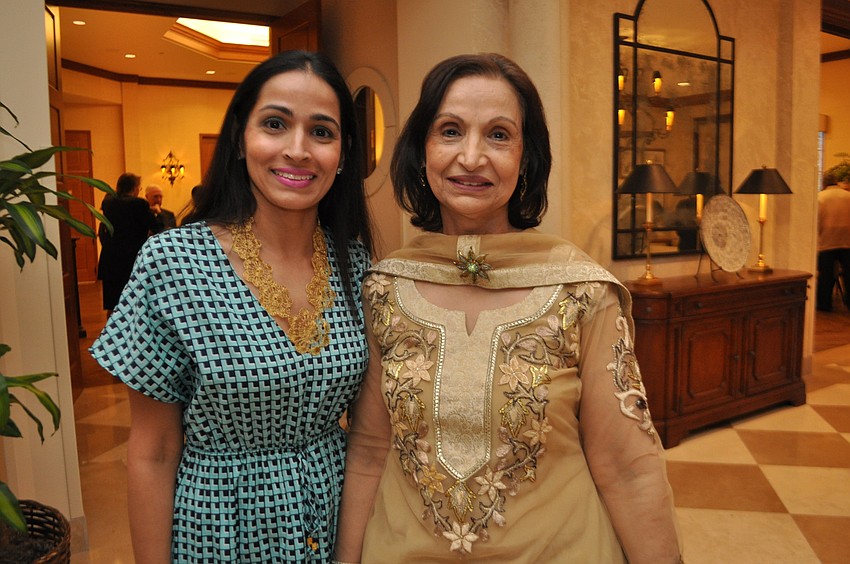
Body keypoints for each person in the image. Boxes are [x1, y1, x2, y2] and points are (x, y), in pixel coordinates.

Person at [334, 53, 682, 563]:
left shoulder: (581, 291)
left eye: (498, 135)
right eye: (449, 131)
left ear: (526, 159)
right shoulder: (385, 288)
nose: (471, 157)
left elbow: (627, 467)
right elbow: (368, 452)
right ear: (422, 150)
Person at [90, 50, 375, 562]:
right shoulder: (172, 263)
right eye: (275, 124)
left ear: (344, 153)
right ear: (241, 140)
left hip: (336, 524)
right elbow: (151, 453)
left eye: (322, 132)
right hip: (220, 529)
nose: (298, 149)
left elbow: (369, 441)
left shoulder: (357, 265)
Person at [97, 172, 154, 314]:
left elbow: (103, 229)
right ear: (135, 188)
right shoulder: (139, 204)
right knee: (135, 301)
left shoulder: (108, 202)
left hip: (110, 259)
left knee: (112, 303)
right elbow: (155, 226)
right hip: (132, 260)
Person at [816, 172, 850, 311]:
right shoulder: (848, 196)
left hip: (826, 241)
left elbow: (816, 221)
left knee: (826, 275)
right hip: (847, 241)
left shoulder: (820, 197)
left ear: (824, 184)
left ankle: (824, 304)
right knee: (849, 275)